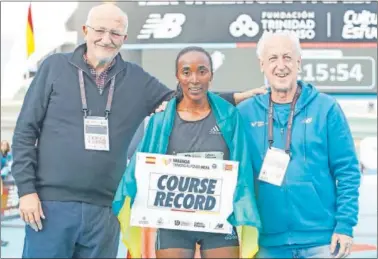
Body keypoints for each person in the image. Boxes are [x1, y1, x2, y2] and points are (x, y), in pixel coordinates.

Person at [11, 3, 265, 258]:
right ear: (85, 30)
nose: (106, 39)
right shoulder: (54, 67)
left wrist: (236, 97)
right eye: (100, 30)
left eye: (115, 33)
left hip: (105, 210)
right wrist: (27, 191)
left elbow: (184, 97)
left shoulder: (135, 78)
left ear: (124, 38)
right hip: (50, 205)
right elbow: (25, 132)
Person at [113, 46, 261, 259]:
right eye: (186, 72)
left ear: (211, 74)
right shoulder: (160, 121)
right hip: (173, 225)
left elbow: (243, 168)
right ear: (177, 76)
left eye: (202, 71)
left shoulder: (229, 117)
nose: (194, 79)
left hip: (220, 222)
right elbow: (139, 169)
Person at [237, 31, 361, 259]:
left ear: (299, 62)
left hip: (323, 242)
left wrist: (345, 225)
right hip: (267, 244)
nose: (281, 66)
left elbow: (348, 171)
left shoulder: (326, 108)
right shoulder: (245, 113)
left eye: (287, 57)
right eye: (273, 58)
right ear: (262, 64)